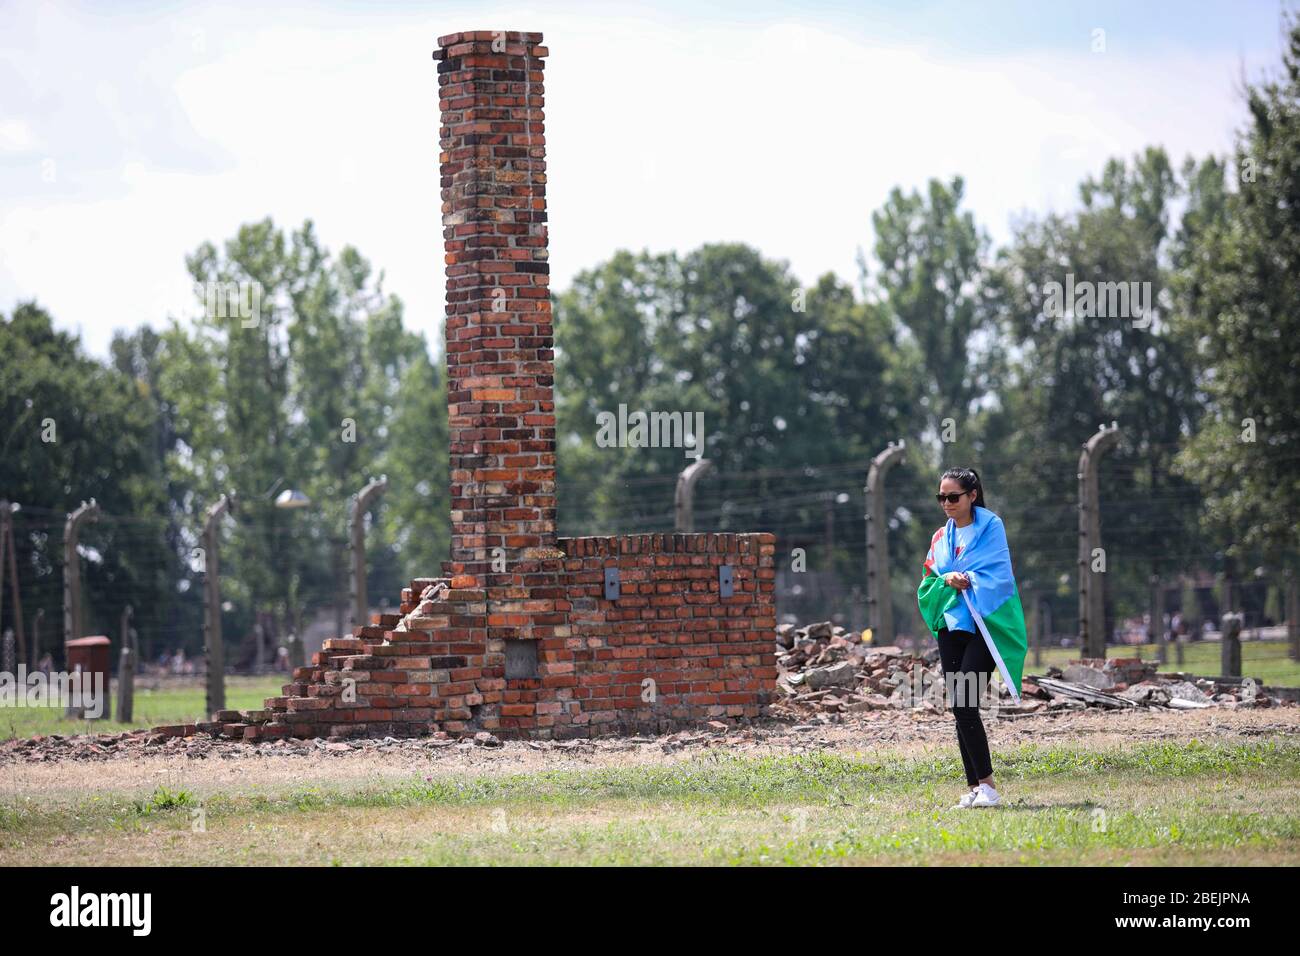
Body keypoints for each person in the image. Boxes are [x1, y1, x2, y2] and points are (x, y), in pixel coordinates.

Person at [917, 467, 1029, 810]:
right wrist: (947, 577)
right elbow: (931, 576)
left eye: (953, 497)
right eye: (942, 497)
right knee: (958, 707)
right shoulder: (941, 537)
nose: (947, 503)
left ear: (972, 495)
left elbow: (998, 573)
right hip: (952, 625)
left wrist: (965, 576)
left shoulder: (991, 526)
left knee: (965, 702)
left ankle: (989, 787)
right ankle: (975, 787)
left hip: (986, 625)